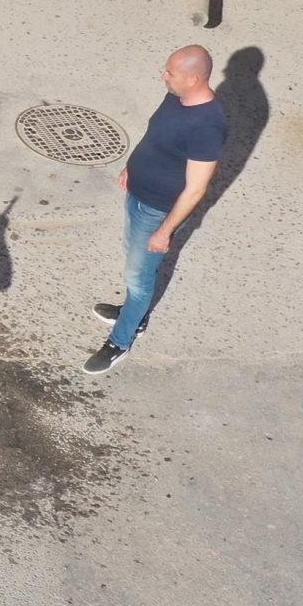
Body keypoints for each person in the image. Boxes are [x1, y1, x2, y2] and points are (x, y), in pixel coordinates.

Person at [85, 44, 226, 375]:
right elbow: (155, 135)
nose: (163, 77)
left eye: (170, 73)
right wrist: (131, 167)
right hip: (137, 194)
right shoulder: (177, 97)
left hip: (157, 211)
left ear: (193, 79)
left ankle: (120, 341)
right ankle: (132, 311)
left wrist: (165, 230)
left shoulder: (207, 126)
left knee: (139, 276)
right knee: (132, 258)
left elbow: (196, 188)